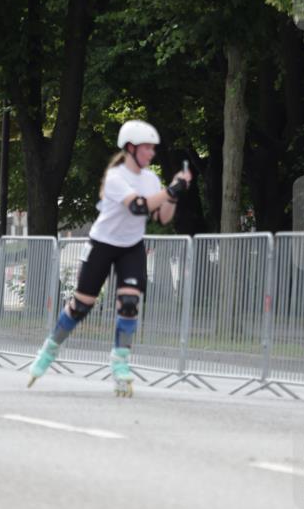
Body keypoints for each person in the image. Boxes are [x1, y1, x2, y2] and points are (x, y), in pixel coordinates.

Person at [28, 119, 192, 395]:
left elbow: (161, 218)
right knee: (81, 305)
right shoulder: (116, 177)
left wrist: (174, 195)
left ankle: (120, 362)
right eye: (147, 148)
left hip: (131, 245)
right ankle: (49, 348)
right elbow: (138, 207)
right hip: (103, 243)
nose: (152, 154)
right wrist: (171, 190)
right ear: (130, 148)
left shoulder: (151, 179)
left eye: (154, 148)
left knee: (129, 302)